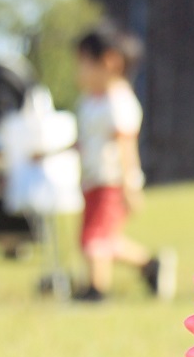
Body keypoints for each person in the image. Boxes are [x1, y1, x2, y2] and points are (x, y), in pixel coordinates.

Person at [71, 25, 174, 300]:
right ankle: (150, 265)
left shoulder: (119, 102)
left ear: (109, 62)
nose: (78, 72)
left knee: (95, 239)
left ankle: (96, 290)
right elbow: (85, 141)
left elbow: (126, 146)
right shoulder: (88, 102)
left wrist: (130, 186)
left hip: (113, 180)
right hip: (92, 179)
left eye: (84, 64)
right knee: (101, 238)